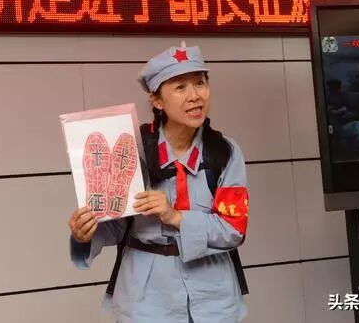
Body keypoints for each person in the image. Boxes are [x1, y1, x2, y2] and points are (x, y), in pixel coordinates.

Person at [68, 45, 250, 323]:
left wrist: (175, 216)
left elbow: (233, 229)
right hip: (146, 299)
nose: (194, 96)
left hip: (214, 298)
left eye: (200, 83)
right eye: (180, 87)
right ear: (157, 100)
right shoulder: (129, 148)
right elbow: (115, 224)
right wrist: (85, 233)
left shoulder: (224, 152)